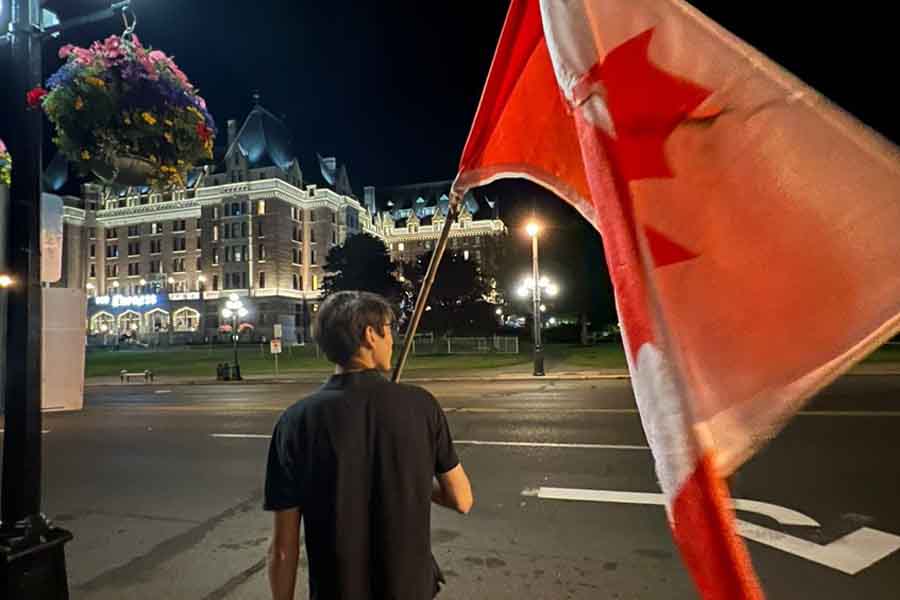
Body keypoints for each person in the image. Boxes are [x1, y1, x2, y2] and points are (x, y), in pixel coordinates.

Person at [264, 290, 473, 600]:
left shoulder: (295, 422)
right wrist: (410, 481)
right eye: (389, 329)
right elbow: (462, 499)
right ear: (370, 335)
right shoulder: (421, 406)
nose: (393, 340)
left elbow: (283, 549)